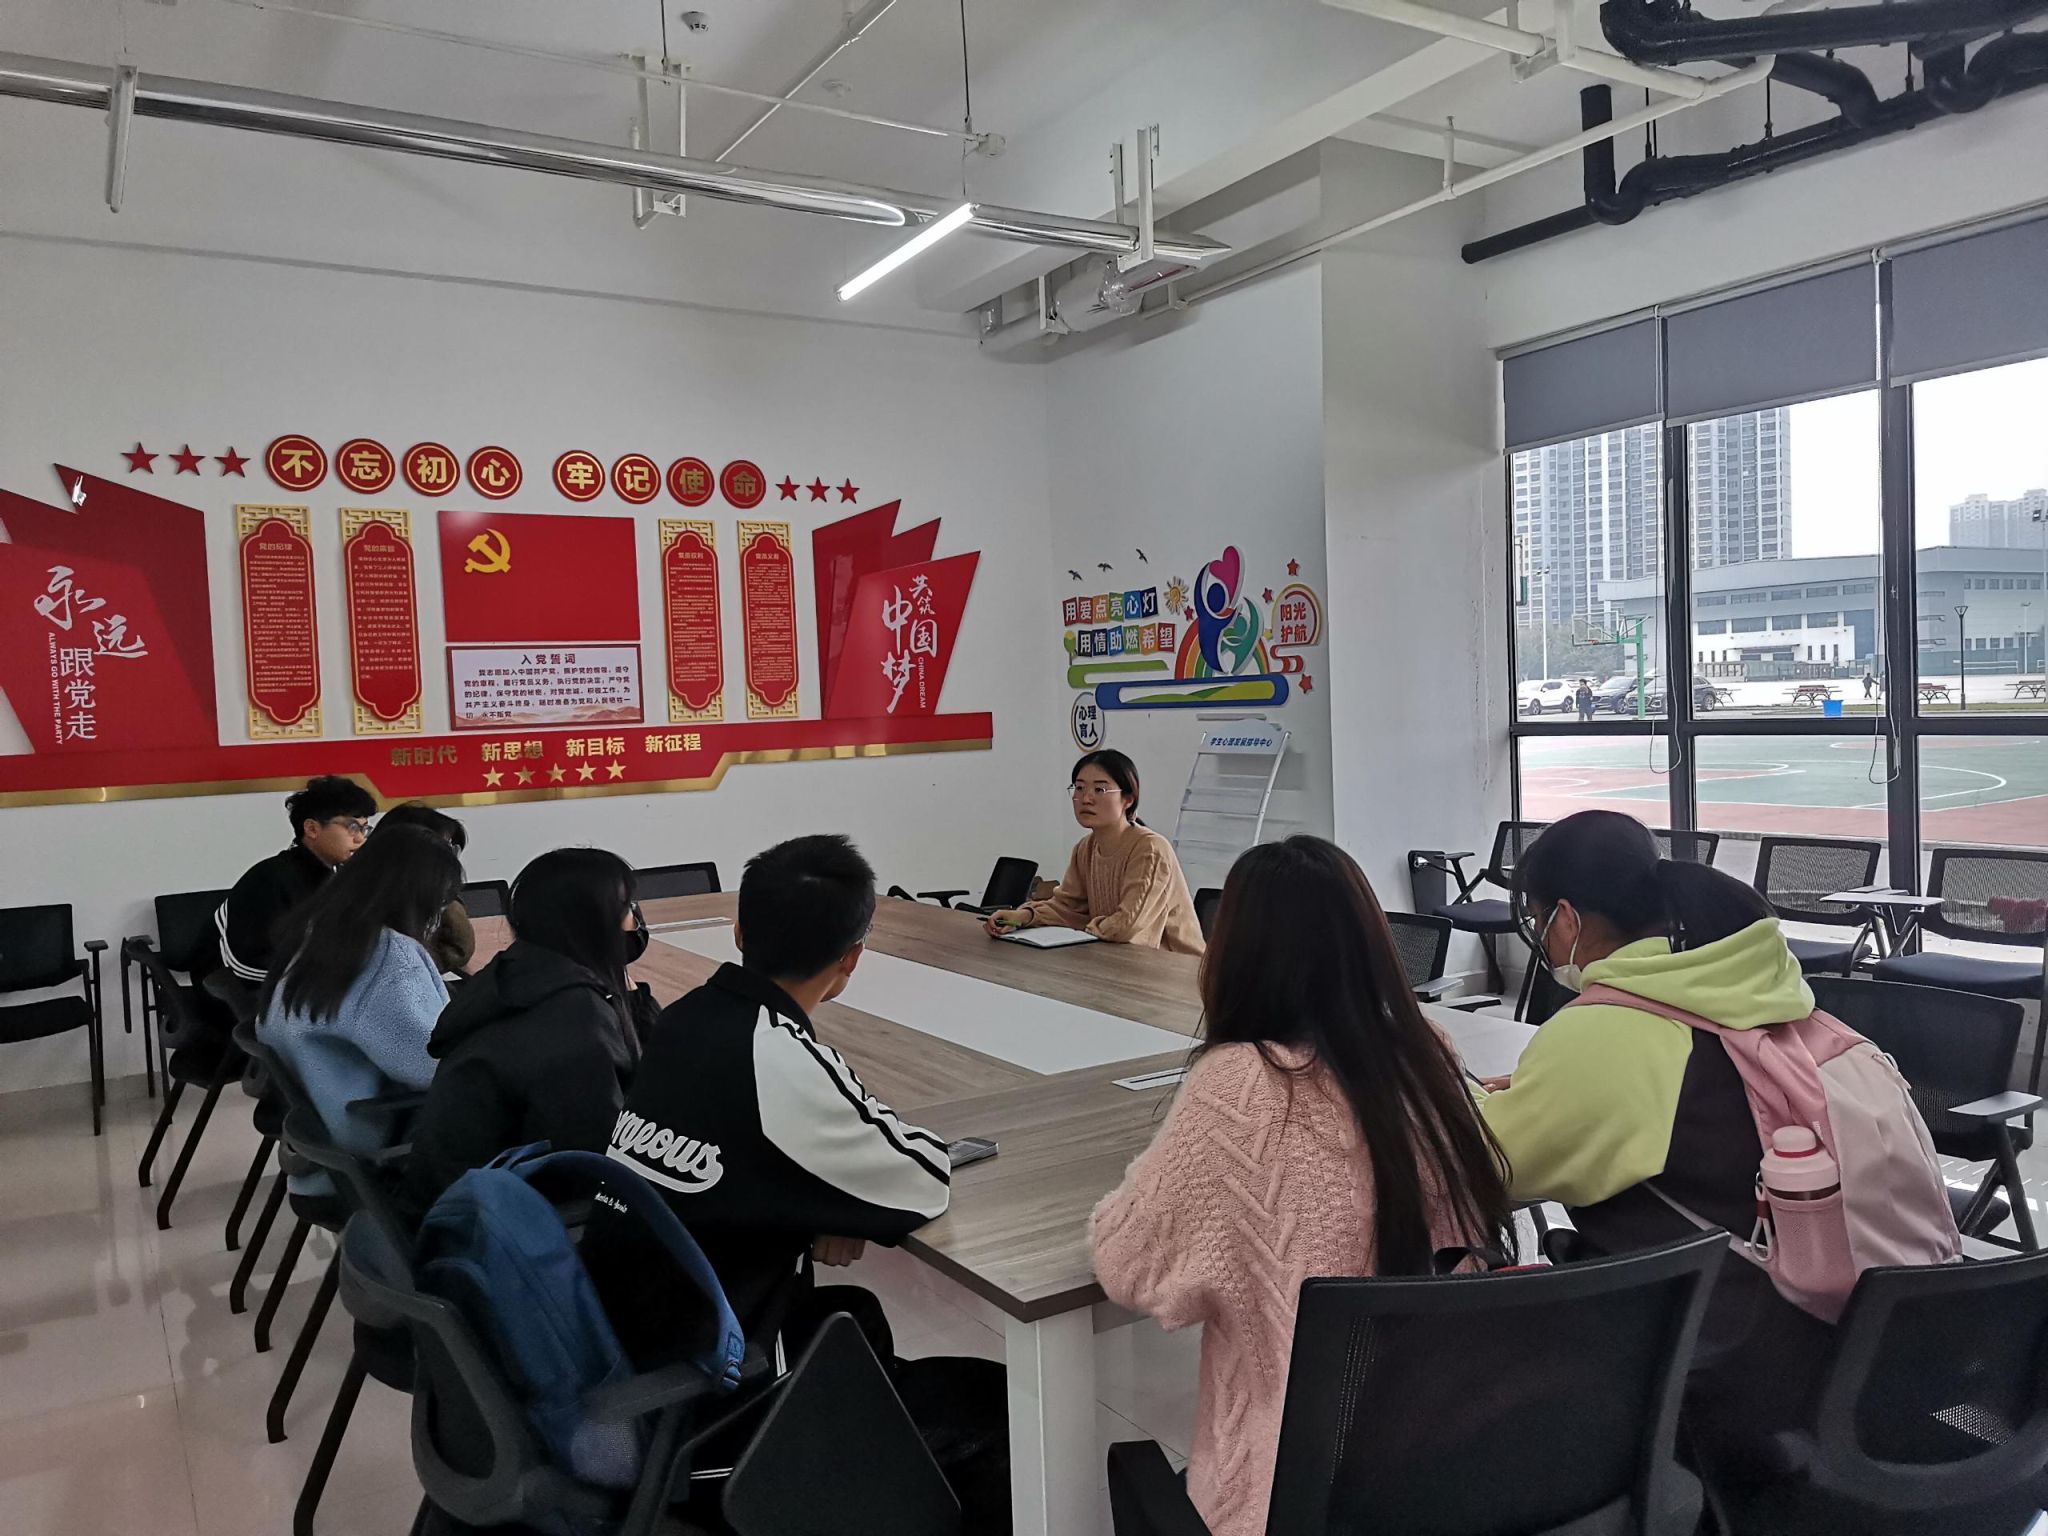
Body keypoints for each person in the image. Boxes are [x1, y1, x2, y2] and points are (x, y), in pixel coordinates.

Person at [1093, 836, 1514, 1536]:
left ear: (1238, 955)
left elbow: (1131, 1267)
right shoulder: (1426, 1051)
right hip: (1458, 1457)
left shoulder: (1240, 1085)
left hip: (1301, 1490)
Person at [1477, 811, 1881, 1491]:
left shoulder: (1611, 1029)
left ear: (1566, 919)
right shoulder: (1754, 989)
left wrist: (1452, 1088)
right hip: (1831, 1334)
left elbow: (1490, 1167)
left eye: (1540, 919)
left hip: (1705, 1354)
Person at [589, 833, 950, 1360]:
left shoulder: (685, 1015)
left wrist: (824, 1209)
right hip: (719, 1359)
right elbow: (923, 1176)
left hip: (620, 1324)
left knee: (858, 1317)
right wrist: (838, 1207)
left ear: (738, 932)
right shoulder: (780, 1059)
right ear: (852, 957)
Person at [400, 848, 653, 1221]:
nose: (635, 920)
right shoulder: (572, 1014)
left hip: (449, 1198)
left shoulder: (514, 973)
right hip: (491, 1227)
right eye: (628, 908)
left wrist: (620, 981)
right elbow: (592, 1154)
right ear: (594, 921)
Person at [257, 823, 462, 1193]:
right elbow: (433, 1066)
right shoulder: (388, 956)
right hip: (375, 1162)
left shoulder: (318, 929)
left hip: (321, 1151)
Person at [983, 749, 1203, 954]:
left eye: (1100, 790)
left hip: (1173, 970)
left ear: (1128, 799)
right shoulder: (1085, 848)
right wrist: (1022, 916)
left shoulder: (1150, 850)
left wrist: (1084, 926)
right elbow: (1068, 907)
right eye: (1079, 788)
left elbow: (1127, 926)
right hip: (1115, 961)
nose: (1086, 799)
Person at [214, 774, 377, 985]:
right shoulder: (269, 878)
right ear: (312, 829)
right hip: (240, 991)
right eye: (352, 827)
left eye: (365, 828)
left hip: (303, 987)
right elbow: (244, 963)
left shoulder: (337, 876)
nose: (360, 838)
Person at [371, 802, 476, 975]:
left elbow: (460, 950)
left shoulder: (436, 902)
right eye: (444, 849)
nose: (451, 862)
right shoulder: (373, 922)